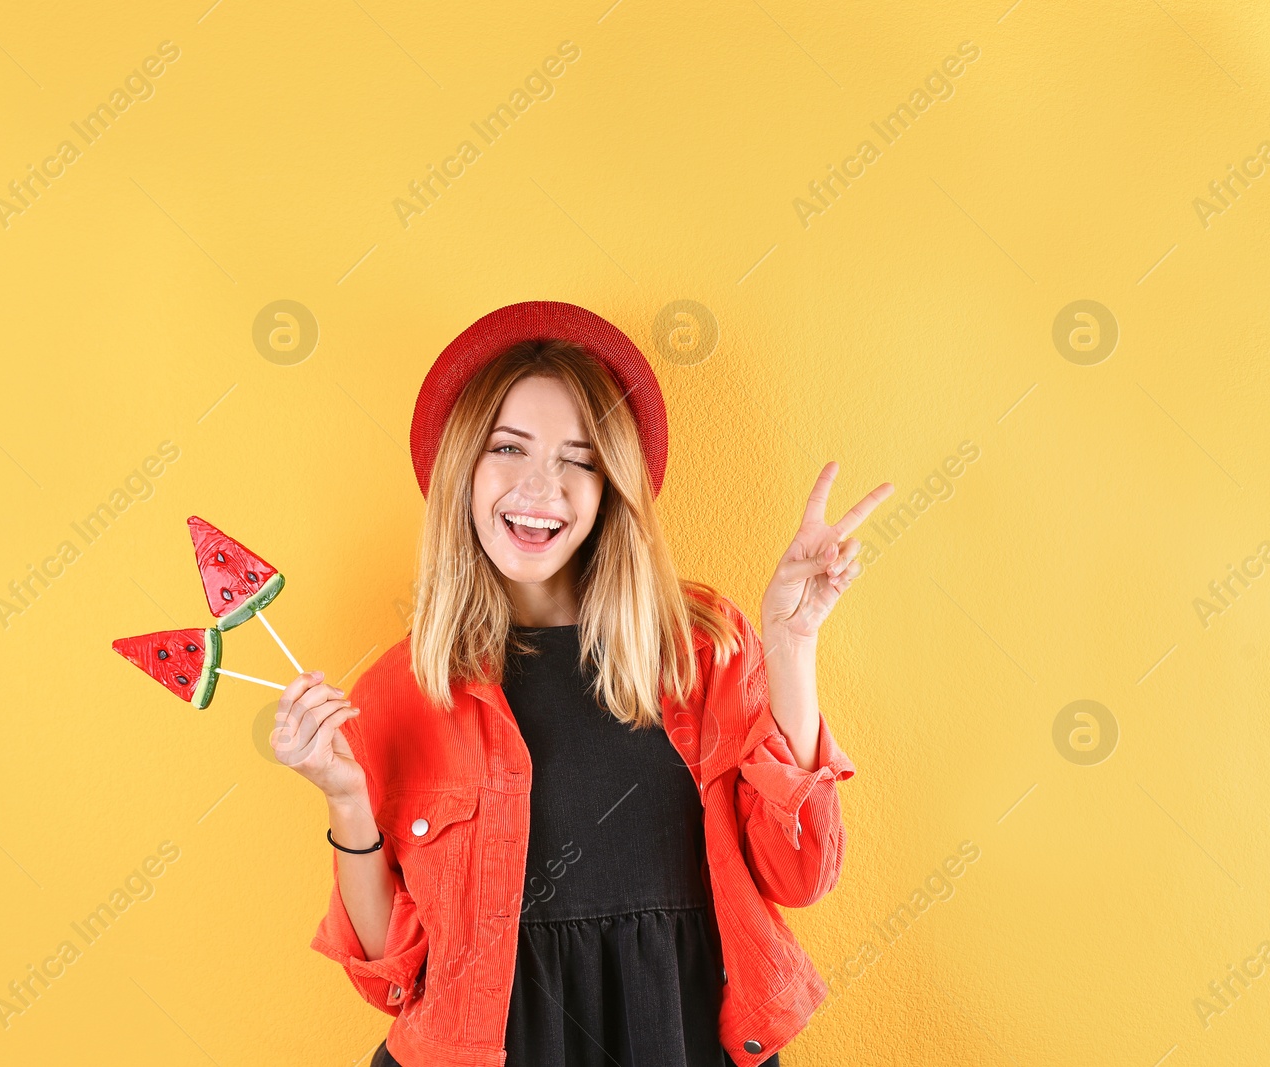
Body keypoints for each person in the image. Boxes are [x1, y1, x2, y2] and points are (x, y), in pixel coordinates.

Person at [273, 301, 892, 1067]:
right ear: (461, 466)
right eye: (509, 448)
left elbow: (798, 875)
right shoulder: (400, 689)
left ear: (611, 486)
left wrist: (793, 646)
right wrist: (343, 796)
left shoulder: (701, 646)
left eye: (579, 457)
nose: (542, 487)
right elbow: (389, 975)